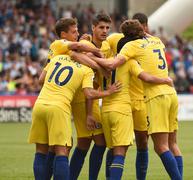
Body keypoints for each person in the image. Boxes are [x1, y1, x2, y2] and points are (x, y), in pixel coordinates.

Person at [95, 19, 183, 180]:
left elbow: (114, 63)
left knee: (160, 147)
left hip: (155, 96)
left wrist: (92, 59)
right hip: (171, 94)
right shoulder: (157, 40)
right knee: (172, 144)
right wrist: (166, 79)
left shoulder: (130, 46)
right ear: (142, 30)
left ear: (125, 35)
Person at [28, 54, 121, 180]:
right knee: (63, 150)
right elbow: (88, 93)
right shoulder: (86, 70)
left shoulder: (57, 58)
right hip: (59, 107)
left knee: (40, 151)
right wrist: (108, 92)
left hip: (39, 105)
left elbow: (41, 79)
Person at [69, 13, 112, 180]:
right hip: (83, 97)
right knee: (101, 143)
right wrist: (89, 114)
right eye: (101, 27)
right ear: (93, 27)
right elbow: (80, 55)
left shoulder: (106, 45)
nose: (105, 31)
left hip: (91, 96)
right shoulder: (85, 43)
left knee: (84, 143)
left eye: (107, 27)